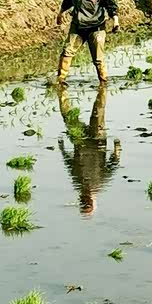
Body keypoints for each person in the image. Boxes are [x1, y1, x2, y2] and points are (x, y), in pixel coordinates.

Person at [57, 84, 121, 216]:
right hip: (97, 139)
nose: (85, 198)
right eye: (87, 201)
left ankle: (63, 92)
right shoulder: (100, 183)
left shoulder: (78, 181)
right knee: (98, 111)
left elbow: (69, 163)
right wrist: (117, 150)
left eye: (84, 201)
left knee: (73, 117)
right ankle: (101, 91)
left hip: (81, 140)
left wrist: (62, 148)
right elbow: (113, 165)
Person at [56, 0, 119, 84]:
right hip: (78, 26)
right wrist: (61, 13)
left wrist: (115, 21)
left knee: (98, 58)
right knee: (67, 51)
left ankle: (103, 82)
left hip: (95, 27)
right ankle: (60, 80)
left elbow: (111, 4)